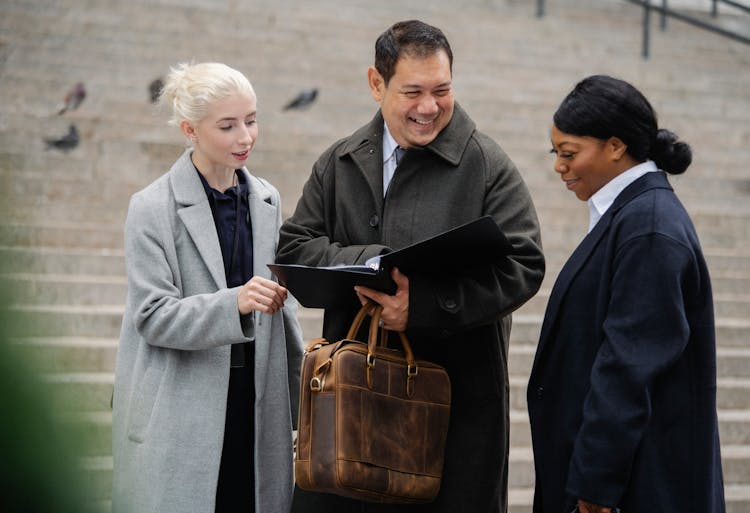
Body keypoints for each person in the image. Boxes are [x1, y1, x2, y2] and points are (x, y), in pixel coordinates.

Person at [276, 19, 545, 513]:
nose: (430, 107)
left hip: (454, 415)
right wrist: (368, 262)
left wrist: (424, 306)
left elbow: (523, 264)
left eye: (442, 90)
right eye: (413, 91)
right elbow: (295, 248)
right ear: (376, 83)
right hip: (350, 408)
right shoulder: (340, 161)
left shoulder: (487, 164)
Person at [112, 62, 305, 513]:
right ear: (190, 129)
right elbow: (153, 315)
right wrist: (234, 303)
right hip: (180, 407)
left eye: (252, 120)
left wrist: (304, 401)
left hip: (257, 405)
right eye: (228, 125)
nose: (246, 137)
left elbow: (284, 310)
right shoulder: (150, 207)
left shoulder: (268, 200)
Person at [528, 74, 726, 513]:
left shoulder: (649, 227)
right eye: (556, 153)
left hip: (632, 489)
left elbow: (627, 367)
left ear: (615, 147)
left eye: (569, 153)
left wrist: (594, 487)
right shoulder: (631, 216)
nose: (559, 167)